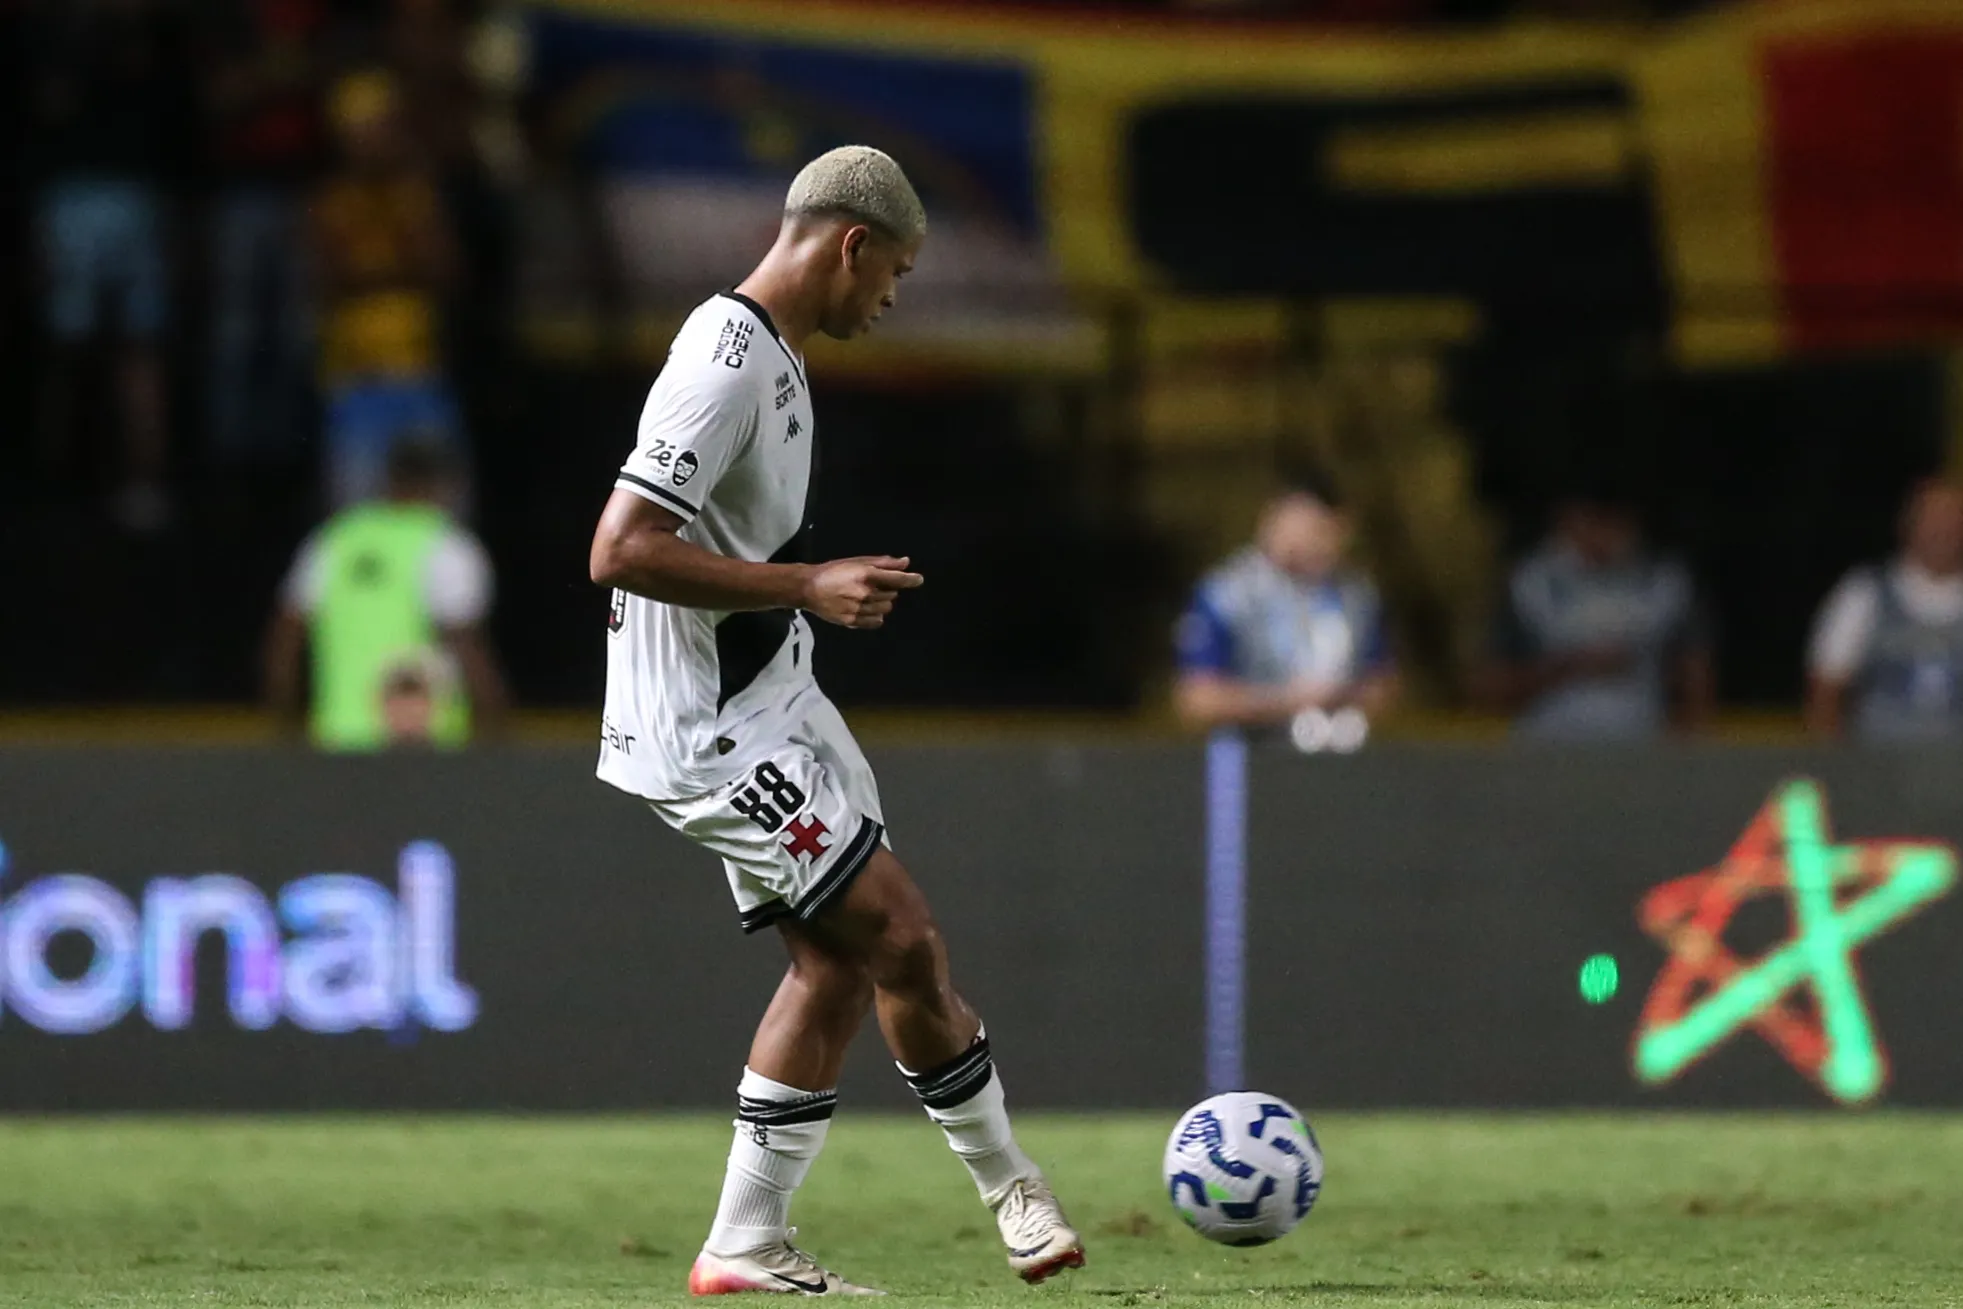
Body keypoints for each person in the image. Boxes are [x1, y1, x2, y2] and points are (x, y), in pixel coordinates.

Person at [587, 146, 1084, 1296]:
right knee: (898, 934)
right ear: (852, 245)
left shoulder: (778, 355)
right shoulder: (723, 361)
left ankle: (745, 1243)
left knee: (837, 966)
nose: (894, 297)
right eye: (895, 272)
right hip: (707, 725)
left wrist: (795, 605)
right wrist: (806, 584)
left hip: (775, 693)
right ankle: (1013, 1190)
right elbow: (618, 549)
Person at [27, 0, 192, 532]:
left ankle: (133, 482)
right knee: (83, 351)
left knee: (123, 352)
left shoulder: (140, 33)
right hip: (83, 197)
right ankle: (65, 483)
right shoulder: (70, 33)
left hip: (116, 197)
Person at [264, 436, 507, 751]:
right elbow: (468, 651)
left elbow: (284, 644)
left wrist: (285, 731)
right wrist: (495, 735)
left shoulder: (333, 541)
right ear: (446, 485)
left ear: (388, 480)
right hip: (427, 749)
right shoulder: (447, 547)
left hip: (340, 745)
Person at [311, 68, 463, 508]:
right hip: (357, 375)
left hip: (419, 370)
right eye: (365, 131)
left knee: (439, 504)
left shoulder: (417, 195)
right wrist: (399, 265)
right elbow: (327, 278)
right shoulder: (331, 201)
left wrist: (383, 262)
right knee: (357, 503)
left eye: (385, 128)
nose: (376, 142)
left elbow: (445, 271)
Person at [1478, 489, 1714, 740]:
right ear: (1565, 521)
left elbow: (1695, 673)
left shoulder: (1664, 585)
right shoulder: (1530, 584)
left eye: (1611, 522)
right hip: (1551, 741)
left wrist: (1689, 733)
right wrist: (1568, 667)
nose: (1600, 535)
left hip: (1640, 738)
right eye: (1589, 520)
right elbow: (1487, 684)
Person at [199, 0, 325, 467]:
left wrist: (286, 73)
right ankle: (232, 461)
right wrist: (273, 75)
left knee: (298, 333)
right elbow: (217, 96)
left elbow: (329, 74)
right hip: (242, 190)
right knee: (237, 334)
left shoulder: (313, 15)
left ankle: (290, 457)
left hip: (305, 188)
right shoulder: (232, 17)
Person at [1173, 485, 1397, 735]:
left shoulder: (1355, 595)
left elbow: (1383, 684)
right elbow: (1197, 700)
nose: (1318, 544)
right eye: (1311, 529)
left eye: (1329, 532)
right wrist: (1287, 700)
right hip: (1251, 749)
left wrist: (1343, 695)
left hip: (1336, 746)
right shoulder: (1228, 594)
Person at [1806, 479, 1963, 742]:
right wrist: (1833, 758)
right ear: (1907, 524)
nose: (1942, 530)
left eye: (1952, 520)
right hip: (1879, 761)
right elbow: (1825, 690)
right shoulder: (1864, 593)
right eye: (1932, 519)